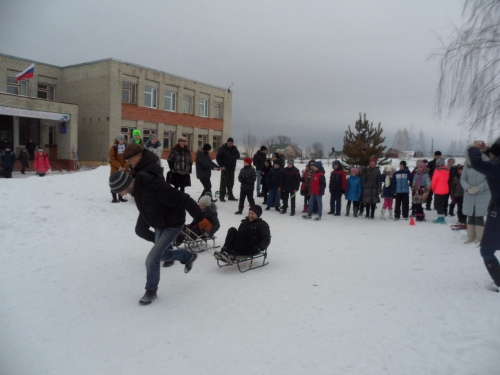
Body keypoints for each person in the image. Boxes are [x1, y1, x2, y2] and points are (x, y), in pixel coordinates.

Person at [109, 170, 211, 305]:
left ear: (125, 184)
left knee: (152, 259)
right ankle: (187, 256)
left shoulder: (153, 187)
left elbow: (185, 199)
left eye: (120, 190)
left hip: (173, 224)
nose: (120, 194)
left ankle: (151, 290)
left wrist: (200, 218)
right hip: (160, 224)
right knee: (162, 256)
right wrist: (142, 228)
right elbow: (148, 207)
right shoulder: (137, 189)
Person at [467, 139, 500, 291]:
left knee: (486, 250)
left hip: (498, 214)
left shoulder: (496, 167)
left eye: (492, 154)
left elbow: (477, 163)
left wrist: (474, 149)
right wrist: (487, 150)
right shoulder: (495, 165)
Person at [461, 145, 491, 244]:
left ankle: (479, 238)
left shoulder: (486, 164)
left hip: (482, 194)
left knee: (479, 216)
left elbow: (489, 179)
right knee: (470, 215)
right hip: (469, 194)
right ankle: (471, 237)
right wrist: (468, 188)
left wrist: (479, 188)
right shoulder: (467, 165)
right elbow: (463, 179)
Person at [216, 137, 240, 202]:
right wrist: (221, 165)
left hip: (232, 169)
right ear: (227, 142)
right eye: (229, 143)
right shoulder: (222, 149)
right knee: (223, 183)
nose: (230, 144)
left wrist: (232, 158)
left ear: (232, 143)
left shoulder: (234, 149)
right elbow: (218, 158)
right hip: (225, 168)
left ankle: (230, 196)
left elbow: (238, 155)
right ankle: (222, 196)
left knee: (231, 183)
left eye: (231, 143)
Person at [109, 134, 129, 203]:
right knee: (114, 182)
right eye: (120, 140)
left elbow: (128, 158)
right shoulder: (113, 148)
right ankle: (114, 198)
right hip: (115, 168)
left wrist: (125, 166)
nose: (122, 141)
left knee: (122, 182)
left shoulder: (126, 147)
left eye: (123, 140)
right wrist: (119, 166)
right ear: (117, 140)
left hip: (123, 168)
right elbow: (112, 158)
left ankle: (121, 197)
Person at [431, 157, 450, 224]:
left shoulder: (437, 171)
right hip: (445, 189)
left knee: (437, 204)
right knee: (442, 203)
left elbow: (434, 181)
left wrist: (433, 188)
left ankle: (441, 218)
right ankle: (442, 216)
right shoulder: (447, 170)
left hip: (438, 189)